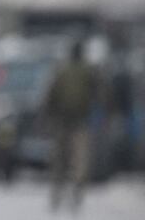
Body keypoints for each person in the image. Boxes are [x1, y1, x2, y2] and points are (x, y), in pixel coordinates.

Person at [44, 40, 101, 214]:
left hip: (62, 121)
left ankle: (56, 193)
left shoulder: (61, 70)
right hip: (80, 121)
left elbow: (50, 95)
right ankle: (76, 192)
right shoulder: (88, 71)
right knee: (79, 159)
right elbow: (99, 93)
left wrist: (47, 117)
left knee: (59, 159)